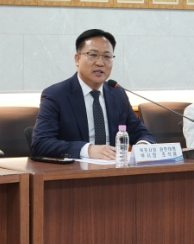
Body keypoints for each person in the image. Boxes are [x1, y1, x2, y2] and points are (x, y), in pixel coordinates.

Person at [31, 29, 156, 159]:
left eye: (107, 56)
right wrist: (88, 150)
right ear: (77, 59)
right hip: (76, 169)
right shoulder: (56, 95)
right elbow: (40, 143)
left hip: (114, 167)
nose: (100, 63)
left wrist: (143, 147)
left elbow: (143, 134)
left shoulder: (117, 94)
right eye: (93, 55)